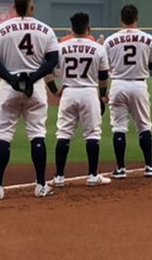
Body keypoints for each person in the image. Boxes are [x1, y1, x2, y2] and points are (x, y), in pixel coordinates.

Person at [0, 0, 60, 200]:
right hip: (35, 87)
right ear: (31, 8)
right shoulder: (45, 29)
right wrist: (34, 76)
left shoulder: (0, 29)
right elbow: (53, 60)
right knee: (37, 133)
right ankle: (41, 185)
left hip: (10, 86)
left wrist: (11, 78)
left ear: (14, 8)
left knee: (4, 134)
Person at [47, 12, 111, 188]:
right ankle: (92, 175)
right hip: (89, 92)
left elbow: (47, 70)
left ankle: (59, 177)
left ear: (71, 29)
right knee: (92, 134)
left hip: (68, 92)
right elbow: (103, 75)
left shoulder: (61, 47)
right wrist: (103, 94)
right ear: (88, 28)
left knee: (63, 133)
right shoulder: (98, 48)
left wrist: (54, 91)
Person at [103, 4, 152, 179]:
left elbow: (104, 67)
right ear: (137, 18)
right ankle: (149, 166)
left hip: (118, 84)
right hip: (138, 85)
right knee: (144, 125)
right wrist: (141, 64)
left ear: (121, 19)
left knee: (118, 127)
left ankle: (120, 169)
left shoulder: (109, 40)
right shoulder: (148, 38)